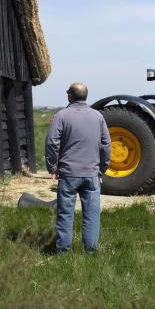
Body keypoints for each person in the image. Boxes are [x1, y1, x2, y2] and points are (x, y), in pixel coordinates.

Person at [45, 82, 111, 253]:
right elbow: (106, 145)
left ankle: (63, 251)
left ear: (69, 96)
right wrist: (102, 169)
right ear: (85, 96)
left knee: (65, 214)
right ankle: (90, 251)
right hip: (92, 174)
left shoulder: (61, 116)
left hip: (68, 173)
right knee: (92, 215)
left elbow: (52, 142)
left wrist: (52, 167)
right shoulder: (98, 117)